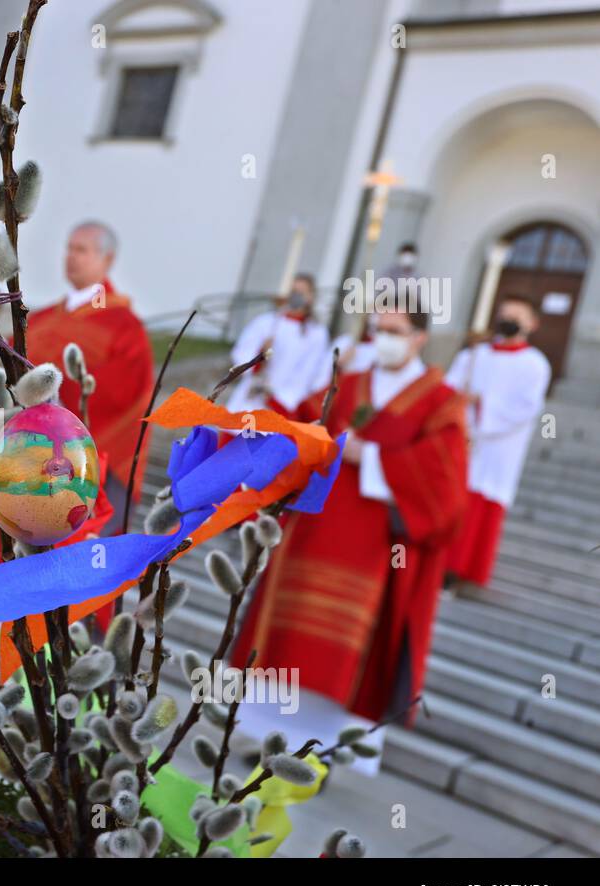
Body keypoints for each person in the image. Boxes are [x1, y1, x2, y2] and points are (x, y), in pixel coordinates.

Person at [231, 303, 468, 757]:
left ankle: (322, 754)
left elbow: (445, 485)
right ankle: (269, 741)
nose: (384, 338)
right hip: (312, 534)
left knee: (340, 656)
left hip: (374, 546)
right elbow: (305, 422)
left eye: (395, 331)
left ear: (420, 337)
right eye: (379, 329)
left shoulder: (442, 402)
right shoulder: (349, 385)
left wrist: (374, 459)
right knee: (287, 644)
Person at [0, 220, 154, 576]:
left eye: (82, 250)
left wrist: (47, 396)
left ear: (108, 259)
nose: (71, 257)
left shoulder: (124, 327)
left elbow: (122, 395)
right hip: (10, 457)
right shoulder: (37, 317)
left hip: (62, 467)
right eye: (69, 248)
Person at [444, 296, 551, 587]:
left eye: (518, 315)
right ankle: (437, 565)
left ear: (532, 324)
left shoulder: (535, 364)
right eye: (505, 313)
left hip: (499, 447)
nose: (509, 318)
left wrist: (484, 404)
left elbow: (527, 407)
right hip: (460, 437)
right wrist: (460, 403)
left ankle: (459, 573)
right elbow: (448, 390)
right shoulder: (473, 355)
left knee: (480, 507)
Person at [226, 273, 329, 418]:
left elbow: (309, 372)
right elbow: (241, 352)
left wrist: (279, 397)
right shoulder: (266, 322)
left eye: (301, 293)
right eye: (293, 292)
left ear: (311, 297)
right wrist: (260, 355)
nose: (296, 297)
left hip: (280, 403)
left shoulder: (316, 333)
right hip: (249, 398)